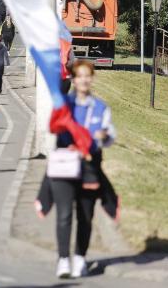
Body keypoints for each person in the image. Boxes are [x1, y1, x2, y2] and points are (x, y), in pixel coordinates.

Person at [47, 61, 117, 279]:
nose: (84, 80)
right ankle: (63, 260)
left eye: (88, 76)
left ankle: (79, 257)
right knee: (64, 214)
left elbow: (110, 136)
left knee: (85, 216)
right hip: (65, 167)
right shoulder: (64, 105)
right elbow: (54, 129)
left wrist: (104, 137)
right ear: (74, 80)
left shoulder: (100, 107)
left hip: (89, 166)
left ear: (92, 79)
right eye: (79, 76)